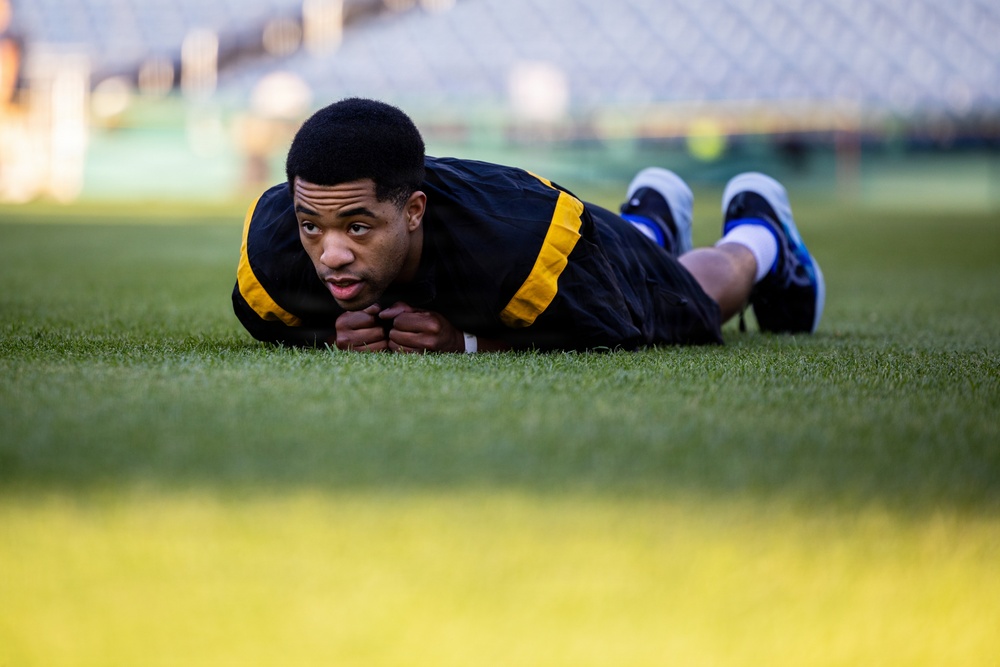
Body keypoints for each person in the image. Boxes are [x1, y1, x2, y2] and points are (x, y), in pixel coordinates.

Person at [233, 97, 824, 353]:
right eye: (313, 226)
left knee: (687, 297)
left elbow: (614, 328)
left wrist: (465, 344)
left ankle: (761, 236)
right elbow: (280, 320)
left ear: (414, 211)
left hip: (564, 246)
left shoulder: (519, 247)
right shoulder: (276, 250)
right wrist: (330, 336)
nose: (330, 253)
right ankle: (650, 218)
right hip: (552, 261)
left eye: (358, 228)